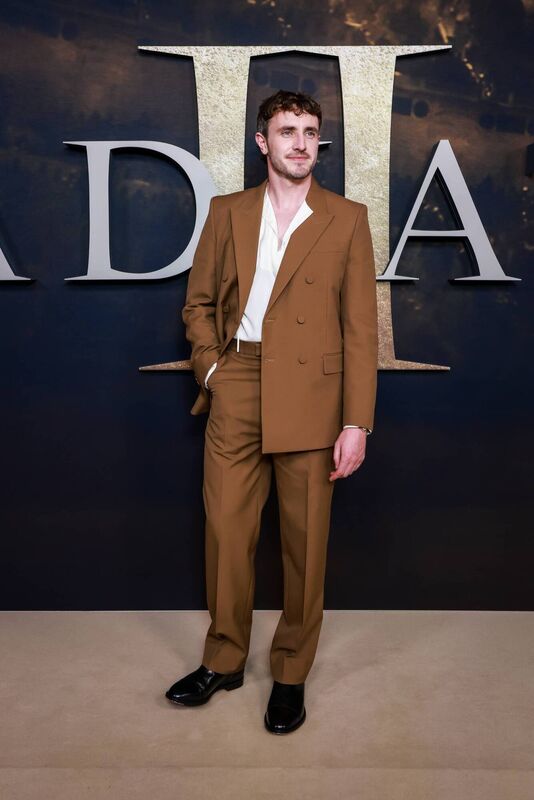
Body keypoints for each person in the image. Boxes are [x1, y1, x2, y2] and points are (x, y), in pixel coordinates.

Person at [166, 89, 378, 734]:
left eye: (311, 132)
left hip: (314, 397)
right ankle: (225, 659)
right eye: (288, 131)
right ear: (263, 141)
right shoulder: (228, 212)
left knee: (304, 546)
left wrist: (356, 421)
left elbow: (361, 331)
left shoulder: (346, 218)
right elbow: (198, 303)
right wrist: (212, 370)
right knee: (227, 534)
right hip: (241, 383)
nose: (300, 143)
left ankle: (289, 673)